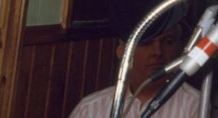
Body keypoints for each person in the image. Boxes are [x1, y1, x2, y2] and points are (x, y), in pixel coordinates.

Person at [69, 24, 199, 117]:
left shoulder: (194, 105)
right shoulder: (90, 109)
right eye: (146, 43)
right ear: (122, 51)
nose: (157, 52)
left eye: (168, 42)